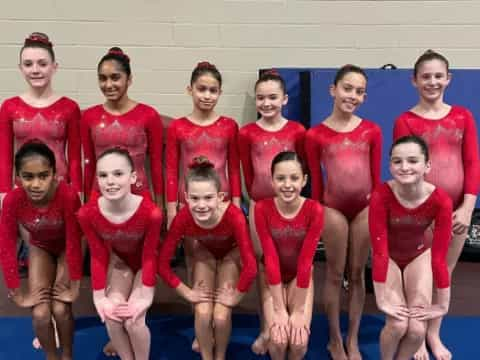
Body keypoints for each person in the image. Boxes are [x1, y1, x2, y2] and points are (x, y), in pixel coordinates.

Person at [393, 50, 479, 360]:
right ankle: (415, 334)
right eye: (426, 76)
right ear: (414, 81)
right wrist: (420, 211)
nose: (432, 82)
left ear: (449, 79)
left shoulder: (462, 116)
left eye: (438, 76)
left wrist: (468, 206)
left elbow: (471, 162)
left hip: (456, 211)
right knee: (420, 273)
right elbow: (405, 170)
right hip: (421, 211)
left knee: (444, 271)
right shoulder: (406, 120)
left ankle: (433, 333)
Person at [305, 64, 382, 360]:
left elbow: (376, 179)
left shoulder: (371, 130)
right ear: (333, 90)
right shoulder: (316, 135)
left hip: (364, 208)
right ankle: (334, 339)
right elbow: (314, 180)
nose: (353, 95)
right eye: (348, 88)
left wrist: (377, 211)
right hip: (332, 208)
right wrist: (316, 214)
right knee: (335, 275)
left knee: (358, 274)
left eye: (360, 91)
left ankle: (353, 338)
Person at [158, 156, 257, 360]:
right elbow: (162, 264)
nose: (201, 205)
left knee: (220, 317)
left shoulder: (234, 216)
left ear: (220, 196)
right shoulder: (183, 217)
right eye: (194, 198)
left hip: (231, 254)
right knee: (203, 313)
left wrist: (237, 296)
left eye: (208, 198)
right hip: (205, 253)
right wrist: (186, 293)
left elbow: (251, 266)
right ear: (186, 197)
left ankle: (219, 356)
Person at [238, 70, 306, 354]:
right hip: (260, 206)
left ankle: (288, 316)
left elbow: (303, 170)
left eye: (273, 97)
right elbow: (246, 169)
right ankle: (266, 326)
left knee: (288, 263)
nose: (266, 103)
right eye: (261, 98)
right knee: (262, 265)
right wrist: (250, 201)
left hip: (289, 208)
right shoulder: (247, 133)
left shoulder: (297, 131)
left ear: (285, 99)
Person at [369, 135, 452, 360]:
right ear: (390, 165)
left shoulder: (441, 200)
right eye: (397, 161)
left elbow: (439, 257)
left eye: (413, 161)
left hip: (419, 256)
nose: (404, 167)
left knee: (416, 330)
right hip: (389, 259)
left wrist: (443, 304)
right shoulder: (381, 195)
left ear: (427, 165)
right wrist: (381, 299)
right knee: (397, 325)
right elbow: (379, 251)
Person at [0, 141, 83, 360]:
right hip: (40, 247)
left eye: (43, 176)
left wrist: (75, 284)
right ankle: (51, 356)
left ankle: (67, 355)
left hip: (67, 247)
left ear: (54, 174)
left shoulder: (68, 195)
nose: (36, 184)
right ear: (18, 177)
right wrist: (16, 293)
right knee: (40, 313)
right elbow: (6, 246)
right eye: (28, 177)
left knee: (61, 309)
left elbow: (75, 240)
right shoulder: (13, 200)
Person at [77, 148, 162, 360]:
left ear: (133, 177)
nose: (110, 181)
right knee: (113, 316)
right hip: (120, 263)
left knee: (134, 320)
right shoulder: (87, 214)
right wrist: (99, 297)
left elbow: (150, 256)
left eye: (118, 174)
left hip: (144, 264)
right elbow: (97, 255)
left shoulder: (151, 213)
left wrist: (146, 296)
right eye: (103, 175)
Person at [254, 151, 323, 360]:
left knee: (299, 343)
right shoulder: (261, 209)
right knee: (279, 339)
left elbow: (306, 260)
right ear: (272, 180)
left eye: (294, 178)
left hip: (299, 276)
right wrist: (279, 308)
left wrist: (299, 310)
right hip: (270, 274)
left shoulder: (315, 210)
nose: (287, 185)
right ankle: (268, 334)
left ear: (304, 180)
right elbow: (271, 257)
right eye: (280, 178)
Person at [0, 32, 82, 200]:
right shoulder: (9, 107)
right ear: (20, 68)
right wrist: (3, 193)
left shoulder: (70, 108)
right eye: (28, 64)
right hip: (23, 188)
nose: (35, 70)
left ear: (54, 66)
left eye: (42, 64)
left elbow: (74, 159)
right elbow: (4, 157)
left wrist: (78, 192)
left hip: (59, 189)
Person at [81, 47, 164, 206]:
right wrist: (88, 203)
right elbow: (89, 163)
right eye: (103, 78)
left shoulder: (148, 115)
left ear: (129, 79)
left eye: (115, 78)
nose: (108, 84)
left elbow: (156, 164)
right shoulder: (89, 117)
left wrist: (160, 205)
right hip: (100, 195)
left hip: (138, 194)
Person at [165, 61, 241, 228]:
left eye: (213, 91)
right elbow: (171, 171)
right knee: (194, 253)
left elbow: (234, 170)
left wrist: (236, 205)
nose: (207, 96)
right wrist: (171, 209)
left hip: (221, 201)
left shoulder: (229, 126)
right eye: (201, 89)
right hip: (189, 202)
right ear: (190, 90)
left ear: (220, 92)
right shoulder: (177, 127)